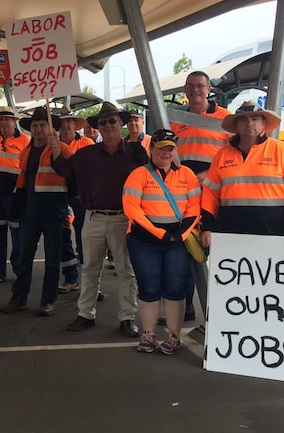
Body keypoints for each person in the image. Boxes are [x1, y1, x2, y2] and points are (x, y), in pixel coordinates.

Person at [54, 102, 145, 337]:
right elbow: (63, 169)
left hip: (124, 219)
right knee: (90, 269)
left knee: (126, 270)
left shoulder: (137, 153)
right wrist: (56, 146)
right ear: (98, 127)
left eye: (112, 121)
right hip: (93, 218)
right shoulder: (86, 155)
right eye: (102, 123)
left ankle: (127, 317)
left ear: (121, 124)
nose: (107, 126)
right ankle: (86, 313)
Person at [200, 101, 284, 255]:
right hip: (230, 237)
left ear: (263, 123)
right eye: (243, 119)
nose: (249, 123)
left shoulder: (282, 151)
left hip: (274, 236)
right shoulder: (222, 155)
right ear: (236, 125)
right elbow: (210, 195)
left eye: (255, 118)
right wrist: (207, 227)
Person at [122, 129, 201, 355]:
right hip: (143, 240)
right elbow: (132, 208)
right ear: (151, 149)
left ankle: (174, 336)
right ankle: (148, 334)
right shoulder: (139, 174)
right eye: (161, 148)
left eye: (170, 148)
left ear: (175, 150)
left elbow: (195, 206)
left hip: (177, 239)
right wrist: (159, 233)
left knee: (175, 288)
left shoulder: (187, 174)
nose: (165, 153)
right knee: (148, 287)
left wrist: (182, 233)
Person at [0, 107, 75, 317]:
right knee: (24, 258)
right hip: (29, 213)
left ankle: (48, 301)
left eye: (43, 125)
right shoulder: (25, 152)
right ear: (30, 129)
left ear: (50, 128)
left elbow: (72, 178)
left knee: (52, 260)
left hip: (54, 212)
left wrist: (58, 154)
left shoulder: (63, 149)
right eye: (35, 125)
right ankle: (19, 298)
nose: (39, 129)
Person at [170, 71, 231, 321]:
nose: (196, 90)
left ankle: (222, 311)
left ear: (209, 89)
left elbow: (234, 155)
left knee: (217, 252)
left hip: (216, 195)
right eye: (191, 86)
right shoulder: (177, 119)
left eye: (200, 86)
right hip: (186, 197)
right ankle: (187, 307)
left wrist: (211, 174)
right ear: (185, 90)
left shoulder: (226, 118)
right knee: (187, 249)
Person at [0, 106, 30, 284]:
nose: (3, 123)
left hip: (15, 196)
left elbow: (27, 168)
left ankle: (20, 270)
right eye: (0, 120)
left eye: (7, 119)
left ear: (14, 121)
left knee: (18, 235)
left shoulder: (25, 141)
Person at [56, 106, 93, 275]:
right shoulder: (53, 143)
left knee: (82, 232)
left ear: (75, 124)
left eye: (69, 121)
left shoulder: (87, 143)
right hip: (58, 193)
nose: (65, 126)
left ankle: (87, 272)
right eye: (62, 122)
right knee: (62, 232)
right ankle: (69, 274)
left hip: (80, 195)